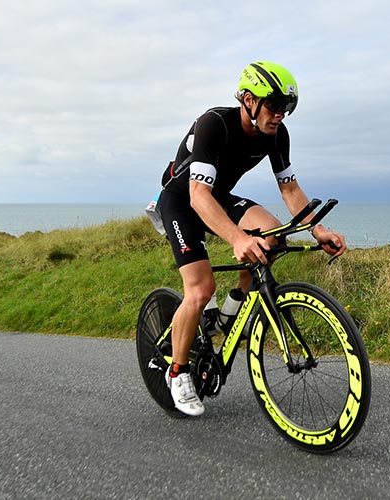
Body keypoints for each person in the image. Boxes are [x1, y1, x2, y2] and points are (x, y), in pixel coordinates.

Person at [158, 61, 346, 416]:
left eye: (286, 108)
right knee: (199, 290)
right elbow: (198, 196)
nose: (280, 115)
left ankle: (228, 316)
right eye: (274, 105)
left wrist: (317, 230)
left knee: (271, 237)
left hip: (217, 196)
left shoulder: (277, 134)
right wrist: (237, 238)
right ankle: (178, 372)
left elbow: (289, 189)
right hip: (182, 200)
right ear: (248, 99)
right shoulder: (214, 123)